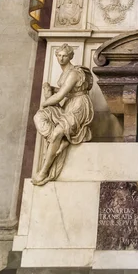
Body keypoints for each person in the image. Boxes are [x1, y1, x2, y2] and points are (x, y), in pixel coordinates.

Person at [32, 44, 94, 186]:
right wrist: (51, 89)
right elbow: (63, 91)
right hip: (68, 105)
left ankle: (43, 171)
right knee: (39, 116)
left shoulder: (74, 73)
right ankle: (61, 141)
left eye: (64, 56)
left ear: (70, 56)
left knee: (56, 132)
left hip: (79, 106)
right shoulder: (64, 73)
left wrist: (44, 103)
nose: (61, 58)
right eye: (59, 55)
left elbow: (60, 96)